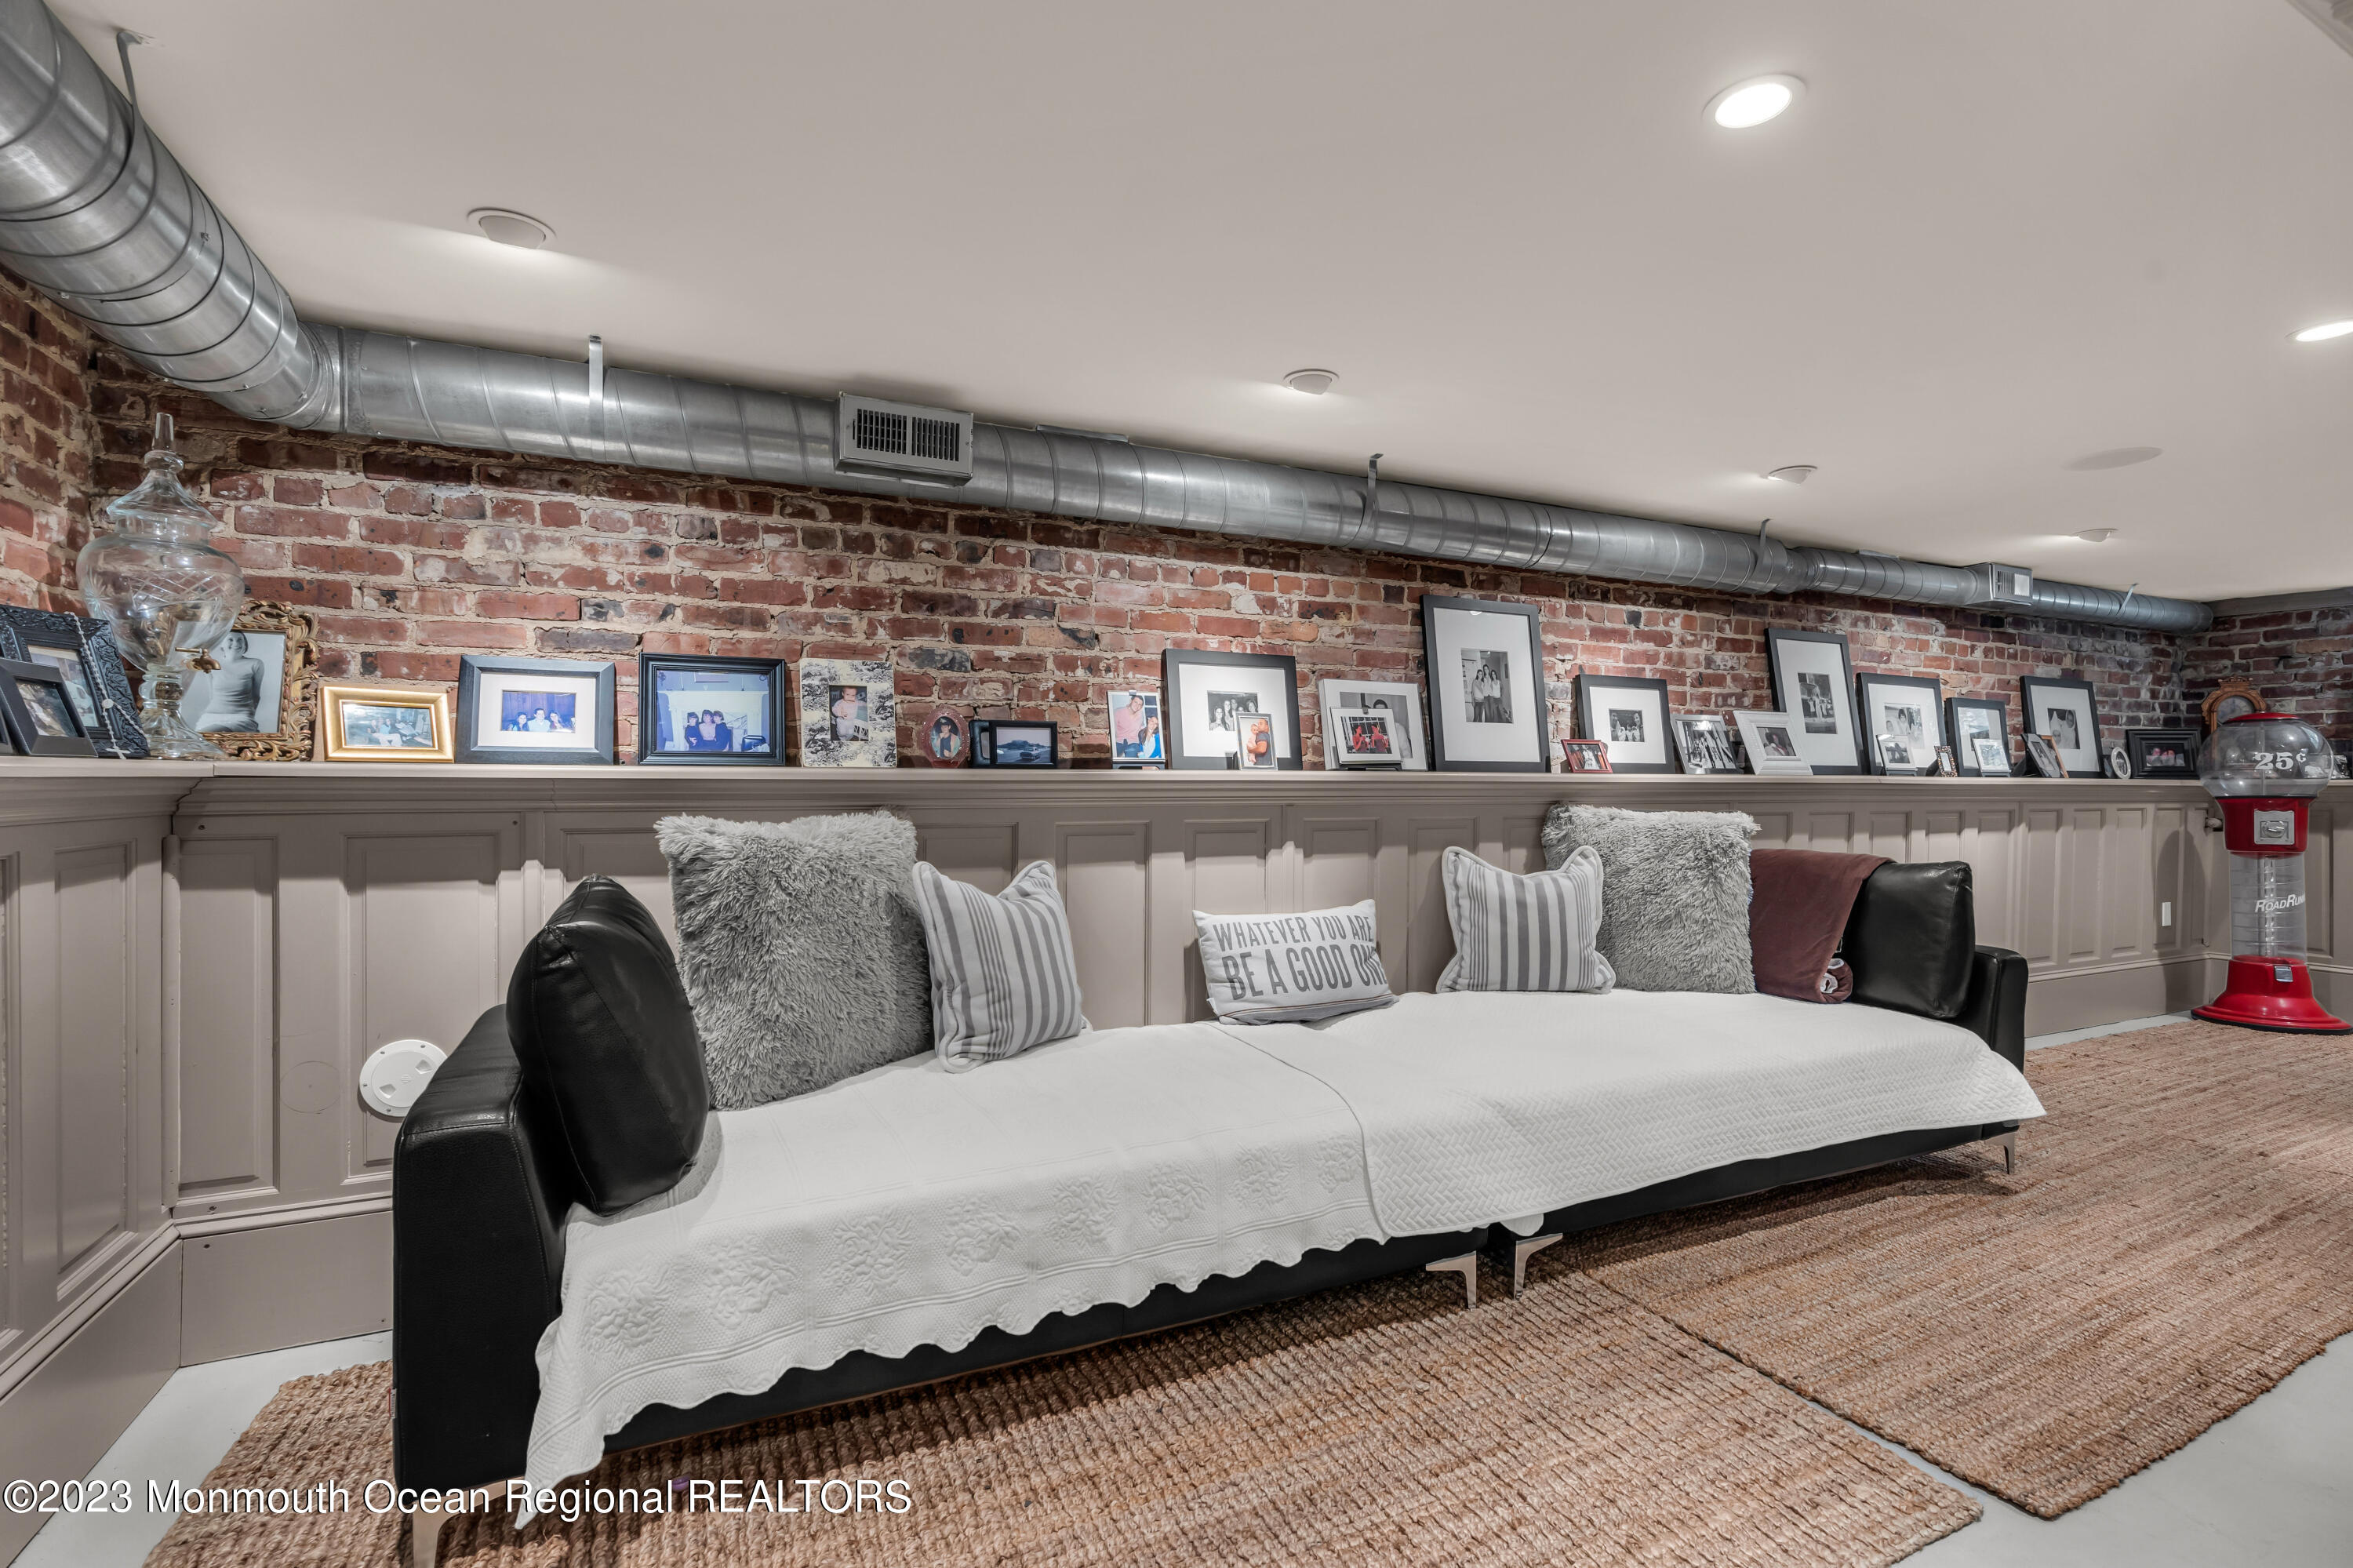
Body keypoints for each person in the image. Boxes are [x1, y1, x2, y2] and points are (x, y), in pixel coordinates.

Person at [192, 631, 265, 732]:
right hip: (211, 716)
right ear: (221, 644)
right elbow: (211, 695)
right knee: (197, 740)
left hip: (240, 718)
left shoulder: (255, 664)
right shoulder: (212, 664)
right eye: (230, 640)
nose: (236, 644)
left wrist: (249, 719)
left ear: (245, 644)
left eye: (240, 640)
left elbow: (256, 696)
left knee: (202, 736)